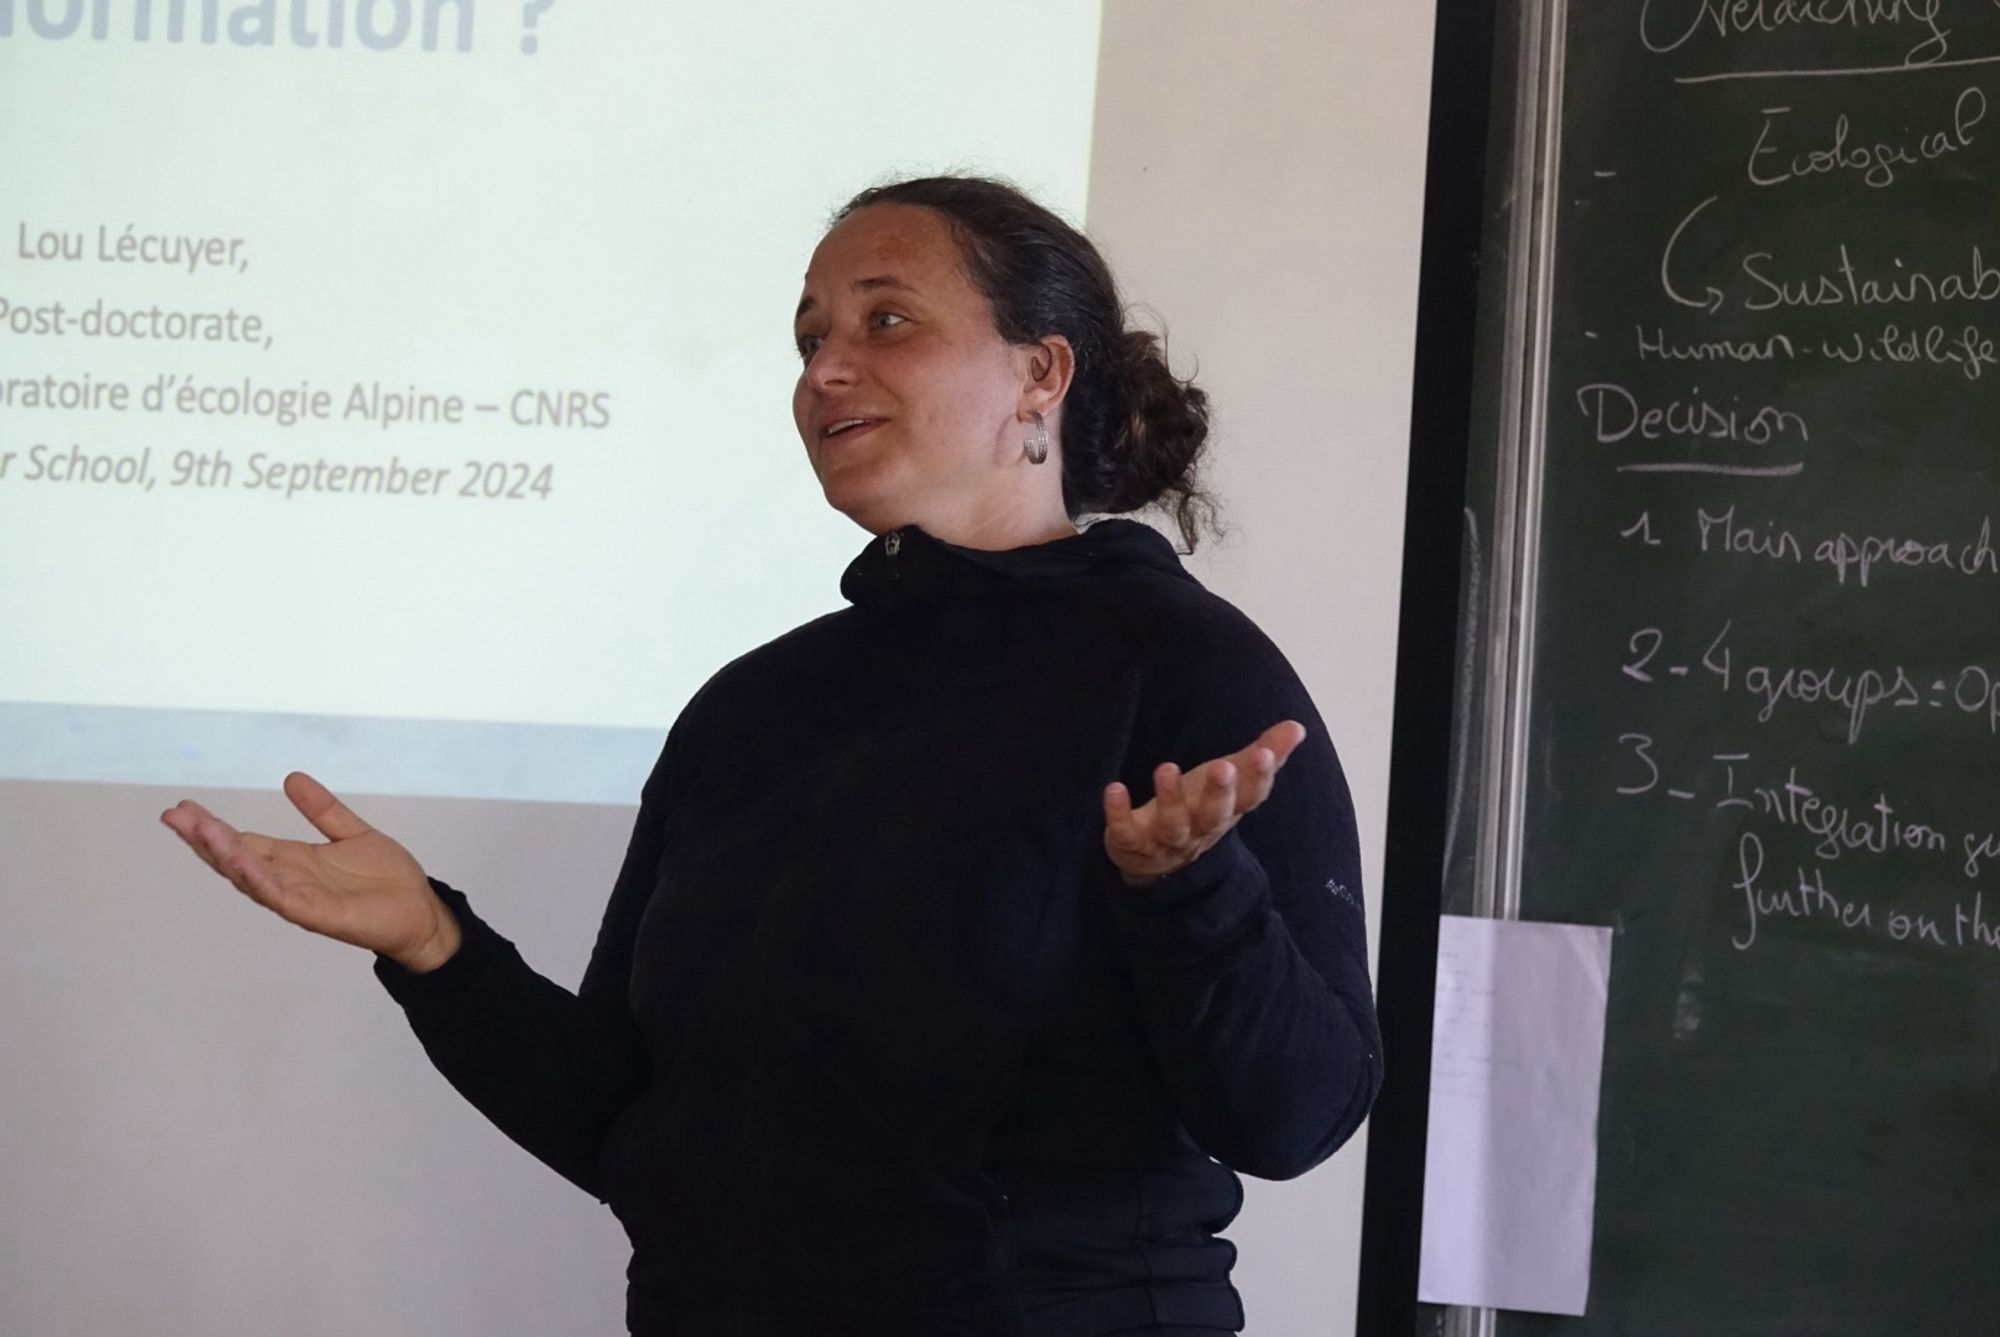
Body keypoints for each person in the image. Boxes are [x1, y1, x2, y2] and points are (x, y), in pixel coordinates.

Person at [160, 175, 1383, 1337]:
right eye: (807, 340)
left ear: (1038, 373)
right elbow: (630, 1123)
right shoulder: (755, 704)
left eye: (884, 320)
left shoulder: (1179, 665)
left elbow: (1297, 1113)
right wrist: (434, 942)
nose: (824, 370)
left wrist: (1190, 891)